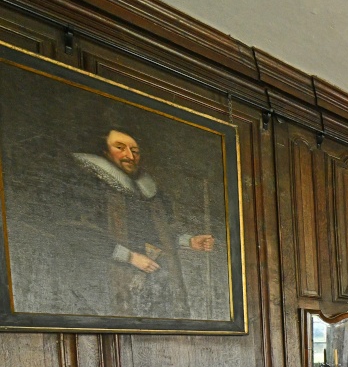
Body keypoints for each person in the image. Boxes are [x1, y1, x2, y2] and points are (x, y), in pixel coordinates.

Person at [30, 127, 217, 318]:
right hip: (98, 283)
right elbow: (75, 231)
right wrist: (129, 257)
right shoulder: (85, 184)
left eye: (134, 151)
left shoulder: (146, 191)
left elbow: (152, 233)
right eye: (120, 148)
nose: (130, 155)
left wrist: (189, 241)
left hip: (144, 287)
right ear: (105, 152)